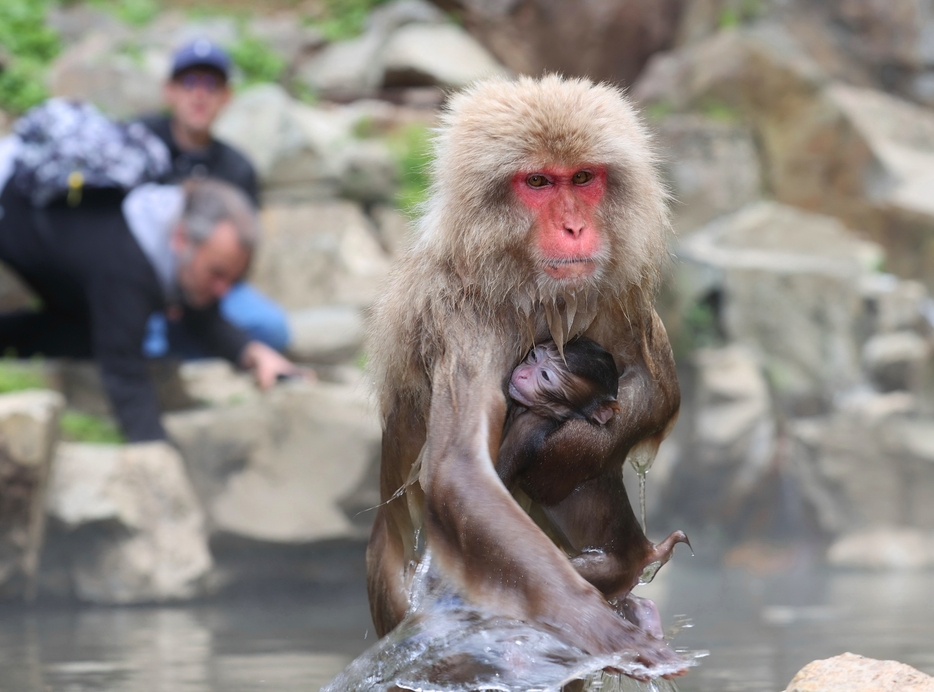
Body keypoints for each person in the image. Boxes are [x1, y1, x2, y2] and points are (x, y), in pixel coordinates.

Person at [0, 174, 298, 442]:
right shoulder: (128, 266)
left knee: (84, 337)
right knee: (108, 338)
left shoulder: (172, 230)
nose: (224, 290)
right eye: (217, 273)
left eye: (232, 279)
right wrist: (156, 452)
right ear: (182, 238)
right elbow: (125, 371)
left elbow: (201, 315)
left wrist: (250, 352)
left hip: (63, 264)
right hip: (13, 221)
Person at [136, 39, 289, 354]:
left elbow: (242, 255)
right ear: (170, 90)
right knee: (142, 331)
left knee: (272, 329)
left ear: (227, 97)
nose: (200, 93)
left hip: (213, 287)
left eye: (212, 84)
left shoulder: (237, 167)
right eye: (189, 82)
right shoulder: (139, 143)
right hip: (142, 284)